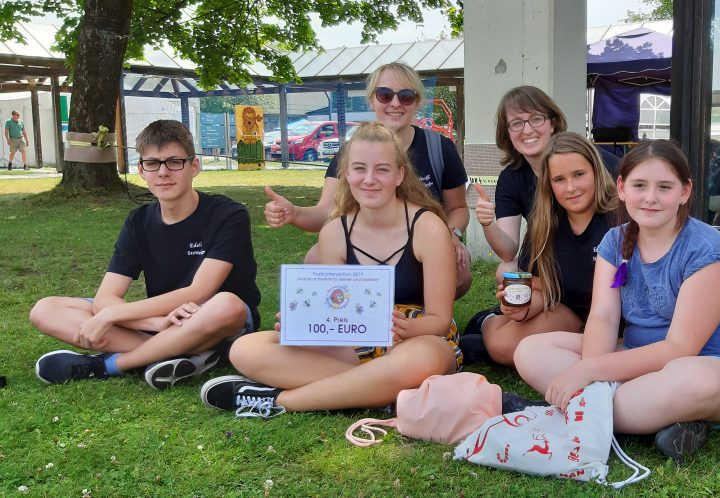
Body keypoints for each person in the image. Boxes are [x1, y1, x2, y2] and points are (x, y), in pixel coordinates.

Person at [513, 140, 720, 460]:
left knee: (695, 383)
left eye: (665, 187)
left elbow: (680, 349)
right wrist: (591, 367)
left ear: (685, 192)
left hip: (714, 363)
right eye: (640, 185)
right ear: (621, 187)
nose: (651, 198)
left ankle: (574, 409)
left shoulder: (706, 248)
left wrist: (588, 373)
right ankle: (650, 416)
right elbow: (603, 316)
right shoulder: (615, 242)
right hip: (637, 356)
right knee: (531, 350)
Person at [201, 122, 459, 418]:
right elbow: (337, 316)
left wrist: (406, 328)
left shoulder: (428, 227)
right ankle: (381, 391)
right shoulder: (335, 231)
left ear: (400, 174)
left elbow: (439, 320)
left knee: (422, 360)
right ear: (347, 174)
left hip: (415, 338)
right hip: (357, 344)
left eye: (382, 170)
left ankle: (278, 401)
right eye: (360, 169)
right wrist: (306, 327)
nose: (370, 179)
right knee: (245, 349)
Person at [30, 120, 260, 389]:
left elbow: (199, 292)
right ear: (141, 169)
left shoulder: (228, 214)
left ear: (194, 166)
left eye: (174, 162)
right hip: (165, 320)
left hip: (214, 319)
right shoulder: (138, 221)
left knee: (227, 305)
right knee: (46, 309)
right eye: (152, 163)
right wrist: (157, 322)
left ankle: (108, 365)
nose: (163, 172)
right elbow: (106, 296)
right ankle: (180, 354)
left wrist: (109, 316)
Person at [263, 62, 474, 298]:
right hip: (366, 241)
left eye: (406, 96)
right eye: (385, 95)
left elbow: (457, 208)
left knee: (459, 266)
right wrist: (294, 213)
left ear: (417, 102)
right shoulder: (350, 152)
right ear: (372, 100)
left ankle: (430, 309)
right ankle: (355, 311)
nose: (395, 103)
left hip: (421, 242)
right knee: (315, 257)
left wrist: (450, 234)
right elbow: (327, 212)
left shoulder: (439, 147)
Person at [469, 132, 617, 366]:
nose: (571, 188)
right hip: (568, 313)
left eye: (579, 174)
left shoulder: (621, 218)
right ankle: (488, 320)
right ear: (548, 184)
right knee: (502, 345)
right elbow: (539, 288)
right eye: (559, 179)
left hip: (617, 320)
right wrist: (522, 310)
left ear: (597, 172)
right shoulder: (545, 224)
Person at [474, 86, 620, 283]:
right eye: (516, 123)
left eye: (535, 119)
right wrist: (487, 223)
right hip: (552, 257)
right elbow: (508, 252)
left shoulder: (595, 161)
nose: (527, 130)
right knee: (506, 271)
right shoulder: (512, 178)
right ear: (507, 132)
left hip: (597, 252)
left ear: (553, 123)